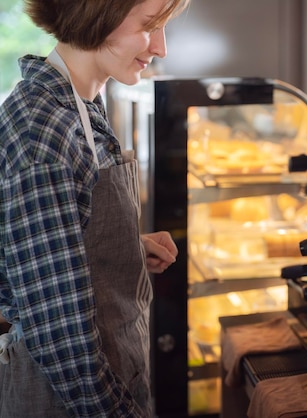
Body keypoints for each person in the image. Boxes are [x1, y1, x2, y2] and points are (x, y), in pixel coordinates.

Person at [0, 0, 189, 416]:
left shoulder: (80, 103)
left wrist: (125, 247)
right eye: (150, 26)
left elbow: (42, 251)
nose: (161, 47)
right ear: (97, 15)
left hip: (115, 374)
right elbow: (61, 337)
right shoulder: (43, 130)